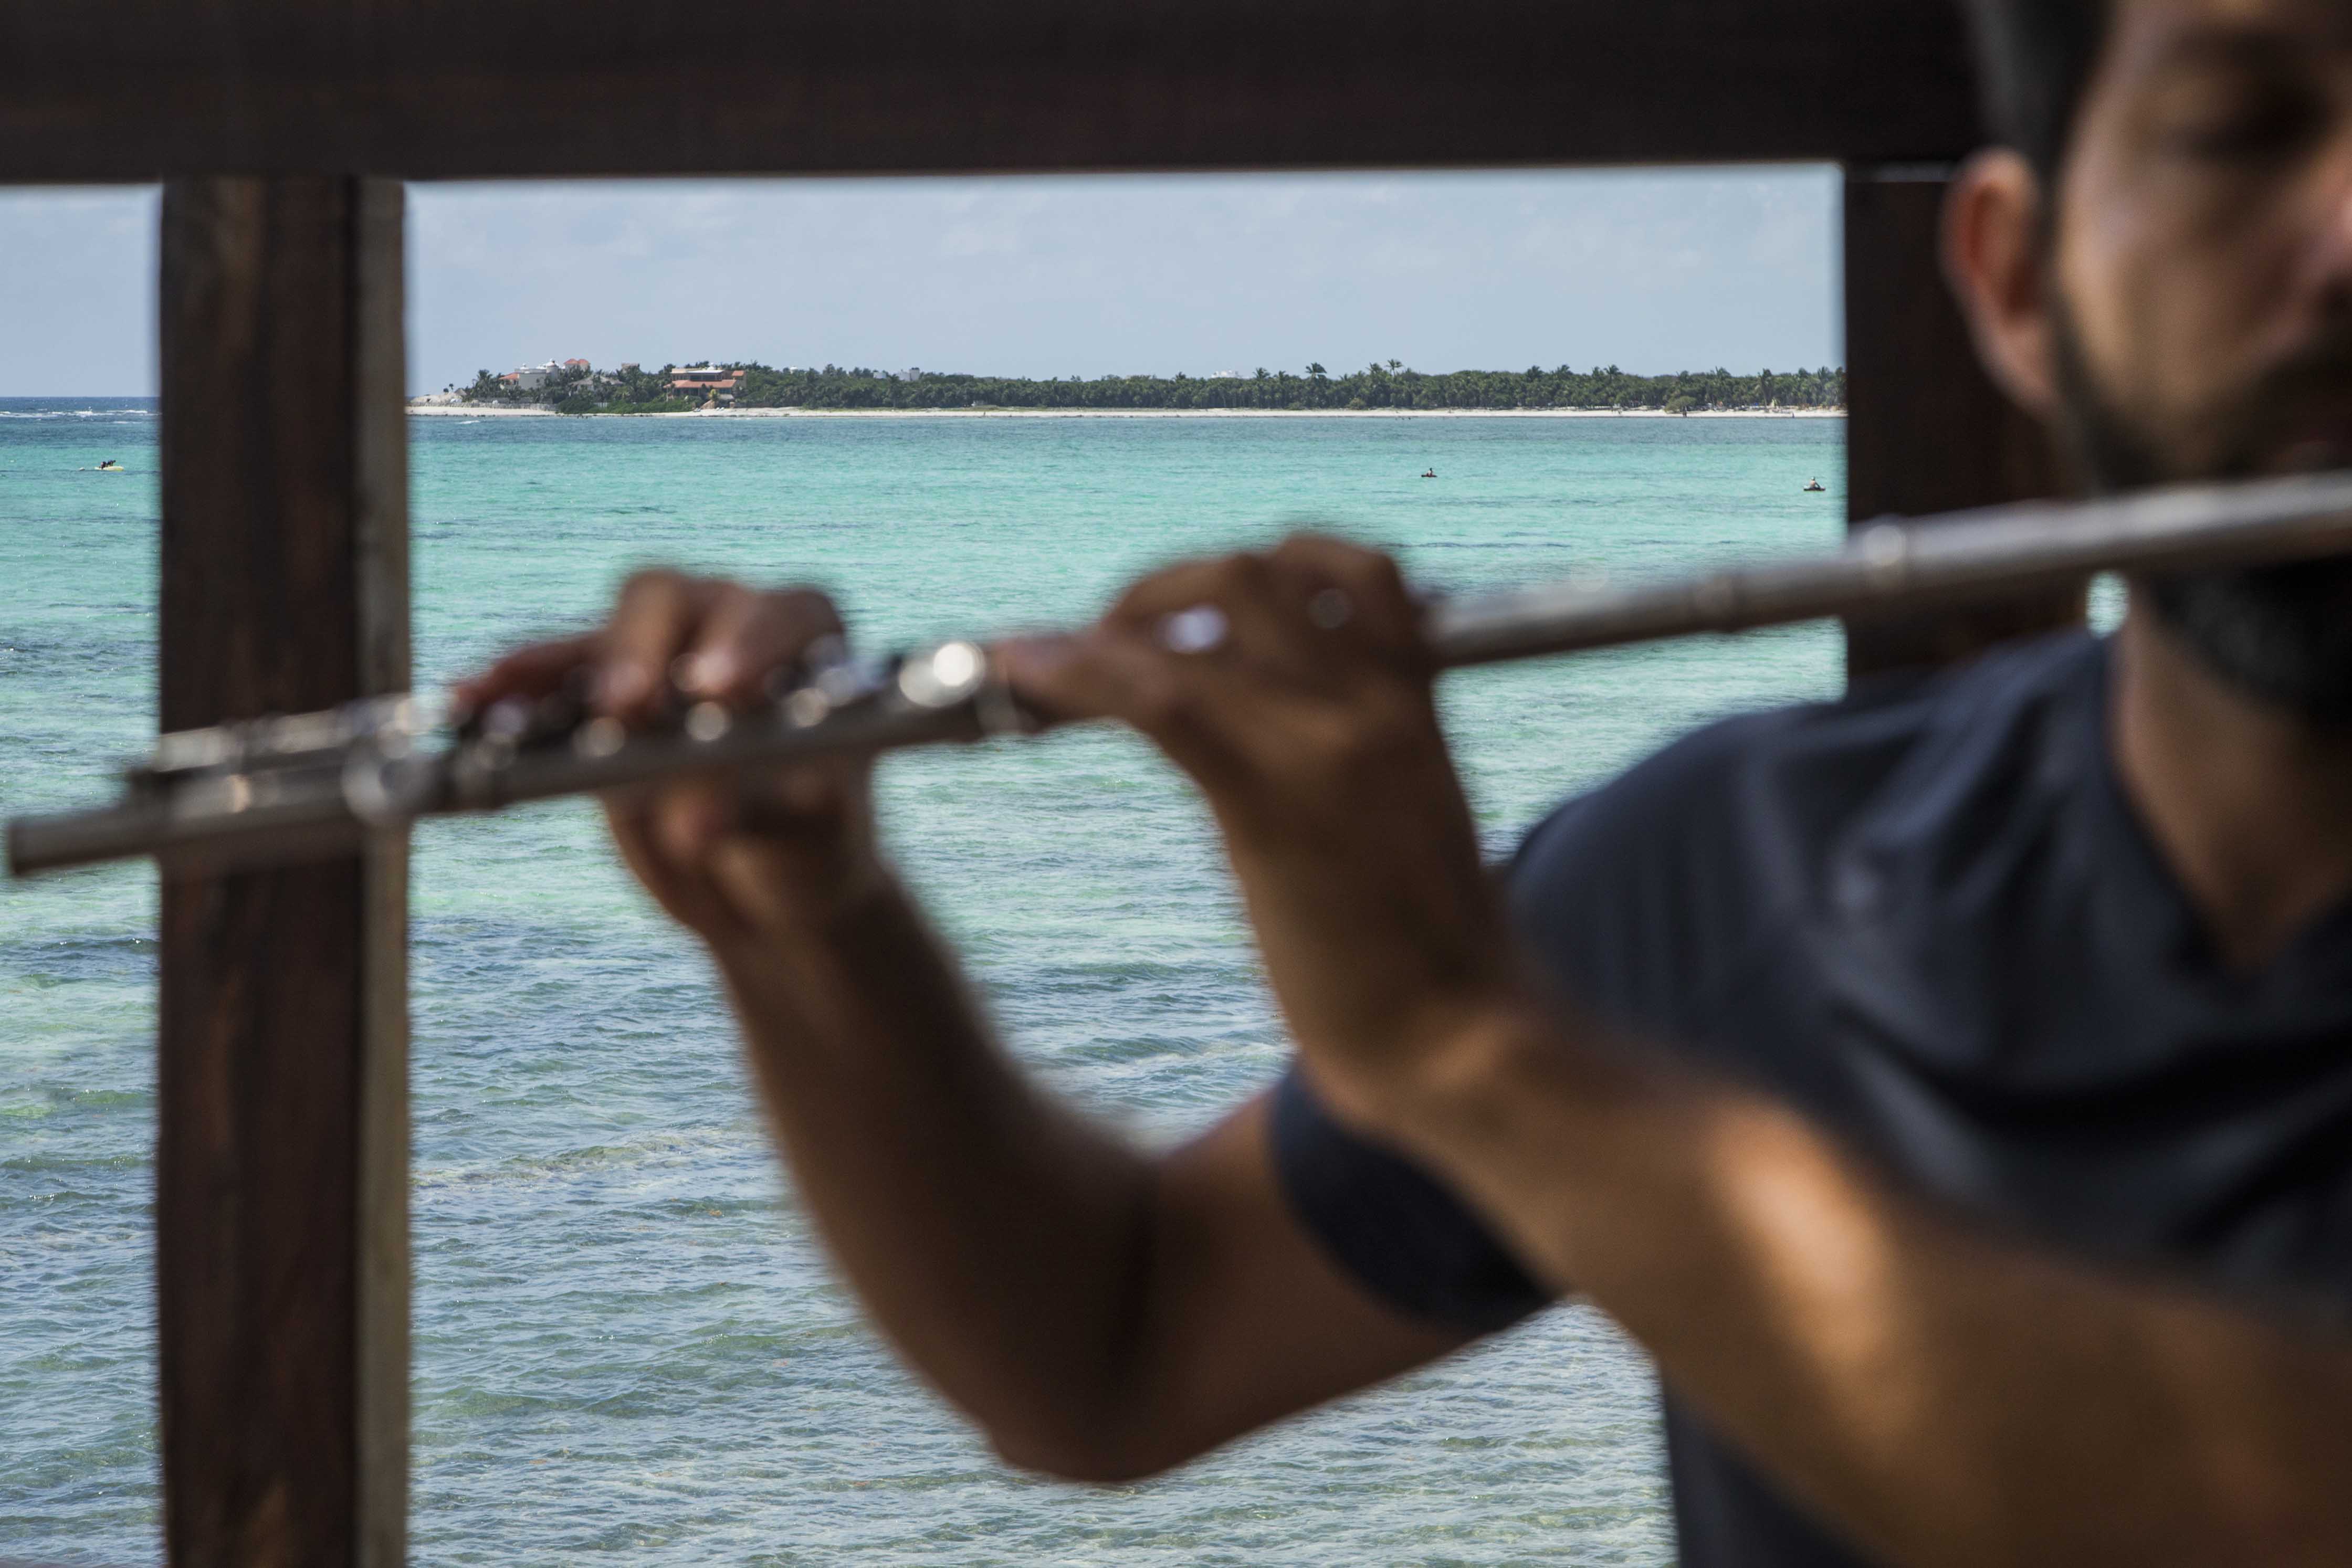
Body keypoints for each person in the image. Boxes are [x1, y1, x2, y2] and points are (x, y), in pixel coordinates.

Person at [459, 1, 2352, 1562]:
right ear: (2021, 283)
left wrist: (1465, 1044)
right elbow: (1114, 1345)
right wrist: (813, 923)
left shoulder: (1529, 1028)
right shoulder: (1758, 859)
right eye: (2240, 129)